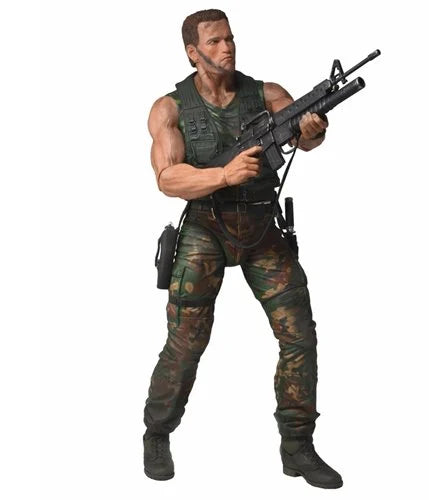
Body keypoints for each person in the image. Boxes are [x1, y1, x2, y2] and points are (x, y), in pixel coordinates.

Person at [143, 9, 342, 489]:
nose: (226, 47)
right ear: (193, 52)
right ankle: (157, 433)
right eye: (214, 42)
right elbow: (168, 178)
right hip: (205, 228)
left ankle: (298, 446)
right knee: (187, 341)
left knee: (299, 335)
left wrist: (312, 132)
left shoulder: (267, 95)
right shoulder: (170, 108)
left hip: (261, 227)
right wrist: (223, 175)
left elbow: (305, 138)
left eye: (229, 38)